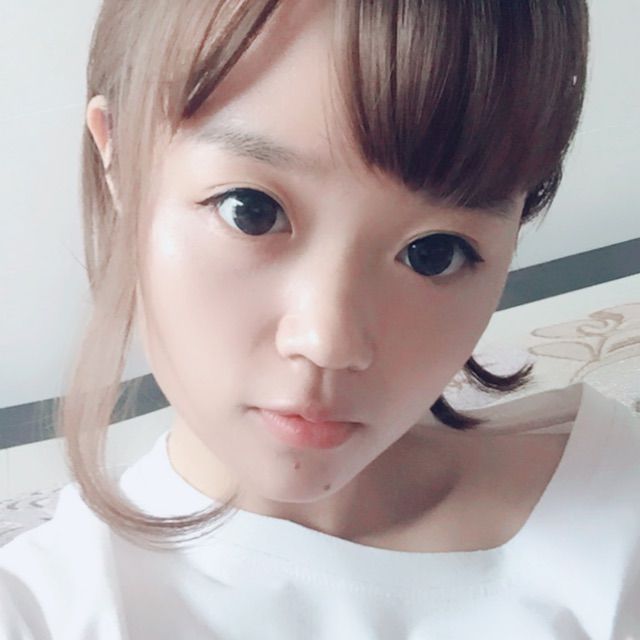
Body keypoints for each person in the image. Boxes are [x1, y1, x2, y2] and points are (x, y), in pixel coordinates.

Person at [1, 0, 638, 637]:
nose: (329, 341)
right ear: (117, 156)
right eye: (251, 211)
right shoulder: (47, 609)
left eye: (434, 253)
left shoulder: (613, 517)